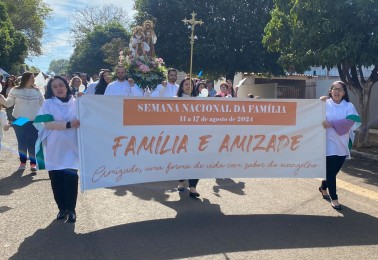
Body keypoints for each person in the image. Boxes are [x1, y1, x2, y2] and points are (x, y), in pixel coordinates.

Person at [35, 76, 80, 222]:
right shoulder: (48, 104)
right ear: (51, 90)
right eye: (54, 87)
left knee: (71, 179)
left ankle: (71, 209)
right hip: (55, 148)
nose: (59, 88)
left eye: (61, 85)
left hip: (73, 147)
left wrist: (88, 100)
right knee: (57, 179)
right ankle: (62, 208)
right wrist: (68, 125)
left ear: (67, 86)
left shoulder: (78, 102)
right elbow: (47, 124)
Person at [319, 81, 360, 210]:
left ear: (344, 93)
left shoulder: (348, 106)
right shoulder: (324, 103)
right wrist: (318, 102)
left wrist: (332, 124)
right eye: (334, 89)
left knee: (334, 171)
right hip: (328, 142)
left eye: (340, 89)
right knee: (331, 171)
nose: (336, 92)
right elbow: (312, 115)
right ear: (330, 90)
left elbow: (351, 121)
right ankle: (334, 198)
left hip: (342, 143)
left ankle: (323, 187)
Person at [0, 72, 44, 172]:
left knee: (32, 142)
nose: (34, 80)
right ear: (26, 79)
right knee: (22, 141)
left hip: (33, 120)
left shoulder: (37, 91)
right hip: (20, 119)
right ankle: (22, 162)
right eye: (32, 78)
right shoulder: (15, 90)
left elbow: (44, 104)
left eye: (34, 78)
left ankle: (33, 164)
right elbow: (8, 103)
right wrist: (2, 99)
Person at [176, 78, 200, 198]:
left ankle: (193, 187)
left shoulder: (198, 101)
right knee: (181, 160)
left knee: (195, 160)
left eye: (190, 85)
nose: (188, 86)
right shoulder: (175, 101)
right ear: (181, 87)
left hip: (195, 136)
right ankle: (181, 181)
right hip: (180, 136)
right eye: (185, 84)